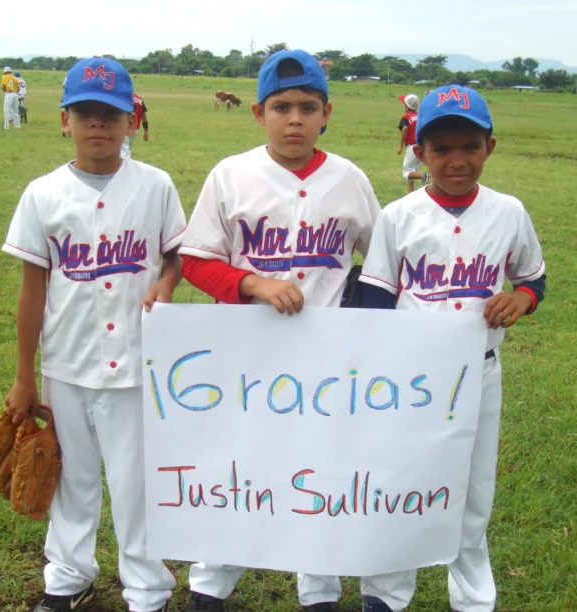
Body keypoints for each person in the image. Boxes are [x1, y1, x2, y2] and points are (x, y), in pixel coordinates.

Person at [178, 49, 381, 612]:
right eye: (281, 106)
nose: (295, 118)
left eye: (307, 107)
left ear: (326, 113)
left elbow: (385, 261)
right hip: (249, 355)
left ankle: (318, 591)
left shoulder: (349, 180)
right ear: (258, 112)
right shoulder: (232, 174)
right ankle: (209, 585)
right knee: (240, 467)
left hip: (329, 358)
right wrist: (252, 283)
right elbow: (196, 259)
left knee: (321, 471)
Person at [1, 56, 184, 612]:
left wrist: (168, 284)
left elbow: (176, 256)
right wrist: (23, 378)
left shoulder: (155, 186)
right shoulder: (43, 193)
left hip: (136, 364)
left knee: (137, 487)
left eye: (110, 114)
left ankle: (147, 588)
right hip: (67, 365)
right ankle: (68, 576)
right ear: (64, 120)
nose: (98, 125)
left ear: (131, 119)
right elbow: (33, 291)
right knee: (69, 481)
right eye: (86, 113)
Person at [356, 85, 547, 612]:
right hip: (408, 376)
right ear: (419, 151)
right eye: (440, 148)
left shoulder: (508, 211)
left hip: (478, 372)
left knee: (471, 492)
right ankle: (386, 593)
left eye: (469, 146)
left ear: (491, 146)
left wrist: (521, 298)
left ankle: (472, 597)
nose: (456, 160)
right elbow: (374, 300)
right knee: (398, 481)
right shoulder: (399, 215)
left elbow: (533, 279)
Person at [397, 93, 428, 193]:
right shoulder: (419, 116)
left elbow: (405, 128)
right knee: (412, 170)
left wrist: (401, 146)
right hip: (422, 146)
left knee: (406, 172)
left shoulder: (406, 117)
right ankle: (410, 194)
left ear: (406, 106)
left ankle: (424, 176)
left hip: (412, 147)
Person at [121, 93, 149, 159]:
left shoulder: (124, 97)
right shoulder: (139, 99)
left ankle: (126, 167)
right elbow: (144, 116)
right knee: (128, 149)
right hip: (134, 129)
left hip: (124, 128)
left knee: (124, 151)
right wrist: (146, 131)